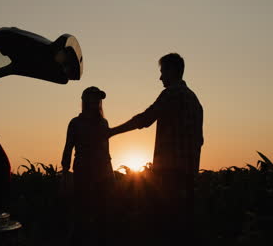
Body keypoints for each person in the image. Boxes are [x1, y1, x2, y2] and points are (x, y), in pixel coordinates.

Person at [109, 53, 203, 243]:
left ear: (173, 71)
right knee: (184, 228)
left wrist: (112, 132)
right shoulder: (195, 100)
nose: (160, 77)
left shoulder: (171, 94)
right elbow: (199, 140)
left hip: (170, 173)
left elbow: (145, 119)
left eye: (162, 72)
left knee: (163, 227)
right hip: (189, 174)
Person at [61, 86, 115, 246]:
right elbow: (68, 148)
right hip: (83, 173)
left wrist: (111, 174)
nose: (97, 102)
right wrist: (65, 174)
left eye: (98, 99)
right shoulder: (75, 123)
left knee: (102, 217)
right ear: (85, 101)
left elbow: (106, 152)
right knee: (81, 216)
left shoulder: (103, 123)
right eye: (93, 98)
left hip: (102, 176)